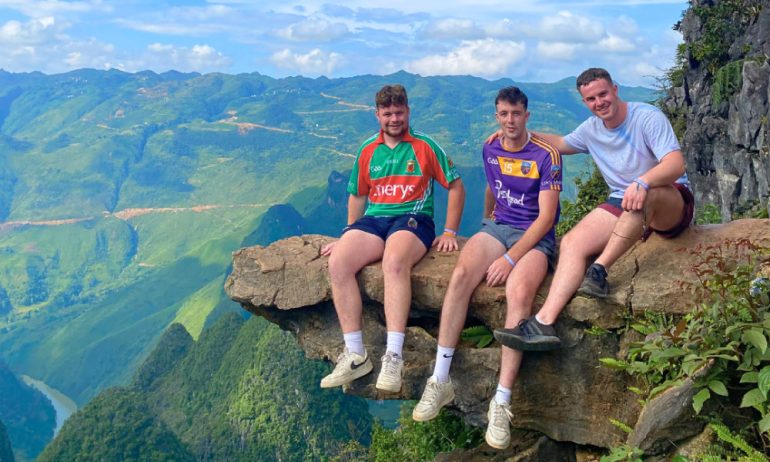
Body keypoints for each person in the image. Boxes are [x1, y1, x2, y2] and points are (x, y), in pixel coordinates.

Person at [493, 67, 694, 352]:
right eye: (591, 99)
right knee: (573, 242)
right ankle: (543, 322)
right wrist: (512, 132)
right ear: (584, 101)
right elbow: (560, 144)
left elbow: (675, 165)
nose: (599, 102)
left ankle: (598, 271)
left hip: (670, 198)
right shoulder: (591, 130)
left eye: (603, 94)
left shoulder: (647, 117)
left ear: (615, 89)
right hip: (621, 200)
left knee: (640, 200)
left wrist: (643, 182)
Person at [411, 86, 561, 450]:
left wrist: (510, 259)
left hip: (534, 236)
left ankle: (502, 401)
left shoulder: (547, 155)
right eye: (504, 114)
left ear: (527, 115)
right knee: (461, 276)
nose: (510, 121)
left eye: (516, 114)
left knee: (519, 293)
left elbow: (546, 218)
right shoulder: (489, 147)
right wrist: (484, 224)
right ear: (497, 116)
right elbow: (493, 189)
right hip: (497, 227)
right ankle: (440, 378)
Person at [319, 84, 465, 393]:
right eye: (387, 114)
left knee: (395, 261)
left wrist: (450, 231)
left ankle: (393, 356)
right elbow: (357, 195)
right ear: (378, 115)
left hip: (414, 219)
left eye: (399, 113)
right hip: (375, 219)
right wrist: (348, 235)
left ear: (408, 112)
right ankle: (356, 354)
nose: (394, 119)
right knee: (339, 263)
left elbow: (455, 186)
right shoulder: (368, 150)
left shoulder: (424, 146)